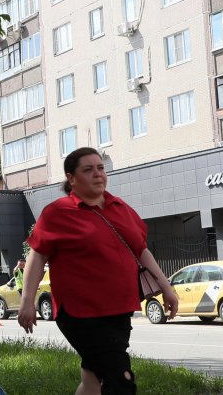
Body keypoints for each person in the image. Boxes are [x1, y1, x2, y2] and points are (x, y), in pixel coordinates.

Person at [18, 147, 179, 394]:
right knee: (120, 379)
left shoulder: (120, 207)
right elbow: (37, 256)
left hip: (120, 309)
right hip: (81, 314)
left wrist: (167, 289)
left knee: (92, 379)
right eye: (88, 169)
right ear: (71, 178)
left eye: (101, 168)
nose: (98, 174)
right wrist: (27, 301)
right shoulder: (57, 212)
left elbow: (141, 250)